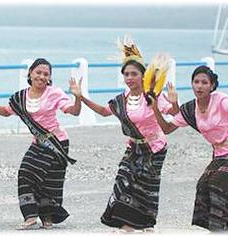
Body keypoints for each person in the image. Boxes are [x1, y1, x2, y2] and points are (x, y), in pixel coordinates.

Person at [80, 35, 178, 232]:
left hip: (155, 148)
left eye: (134, 74)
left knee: (146, 187)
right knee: (123, 180)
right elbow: (103, 111)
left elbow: (174, 113)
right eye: (126, 74)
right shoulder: (121, 100)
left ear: (143, 75)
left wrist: (174, 101)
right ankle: (126, 224)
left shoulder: (154, 96)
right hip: (133, 147)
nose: (130, 78)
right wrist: (81, 96)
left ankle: (145, 224)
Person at [0, 58, 82, 229]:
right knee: (25, 172)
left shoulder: (54, 93)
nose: (42, 77)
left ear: (49, 78)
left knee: (51, 180)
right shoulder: (20, 96)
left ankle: (48, 218)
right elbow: (6, 112)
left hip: (57, 142)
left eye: (46, 74)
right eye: (38, 73)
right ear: (30, 73)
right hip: (38, 143)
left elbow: (74, 111)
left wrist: (77, 97)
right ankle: (30, 216)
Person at [151, 65, 228, 232]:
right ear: (192, 84)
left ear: (212, 86)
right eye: (196, 82)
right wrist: (155, 107)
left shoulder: (220, 99)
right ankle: (215, 228)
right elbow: (167, 129)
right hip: (220, 153)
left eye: (204, 82)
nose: (199, 86)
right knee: (203, 185)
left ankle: (224, 227)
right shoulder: (190, 109)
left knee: (218, 181)